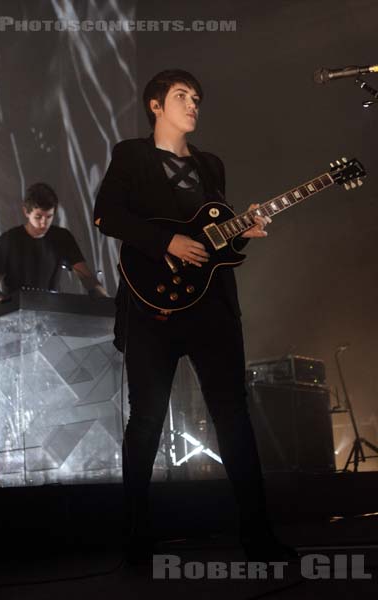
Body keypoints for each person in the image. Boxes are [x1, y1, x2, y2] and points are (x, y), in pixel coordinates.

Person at [94, 70, 298, 563]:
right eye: (181, 96)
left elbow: (212, 232)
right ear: (155, 105)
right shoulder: (132, 155)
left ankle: (258, 535)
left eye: (197, 98)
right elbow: (106, 215)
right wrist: (165, 241)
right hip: (153, 307)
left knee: (233, 416)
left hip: (212, 309)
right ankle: (135, 540)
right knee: (145, 419)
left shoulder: (212, 165)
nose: (193, 104)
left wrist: (244, 230)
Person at [0, 182, 107, 300]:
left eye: (49, 217)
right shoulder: (8, 241)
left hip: (50, 311)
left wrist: (102, 296)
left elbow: (86, 277)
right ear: (26, 212)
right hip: (16, 315)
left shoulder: (62, 237)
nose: (44, 223)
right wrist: (5, 303)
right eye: (38, 217)